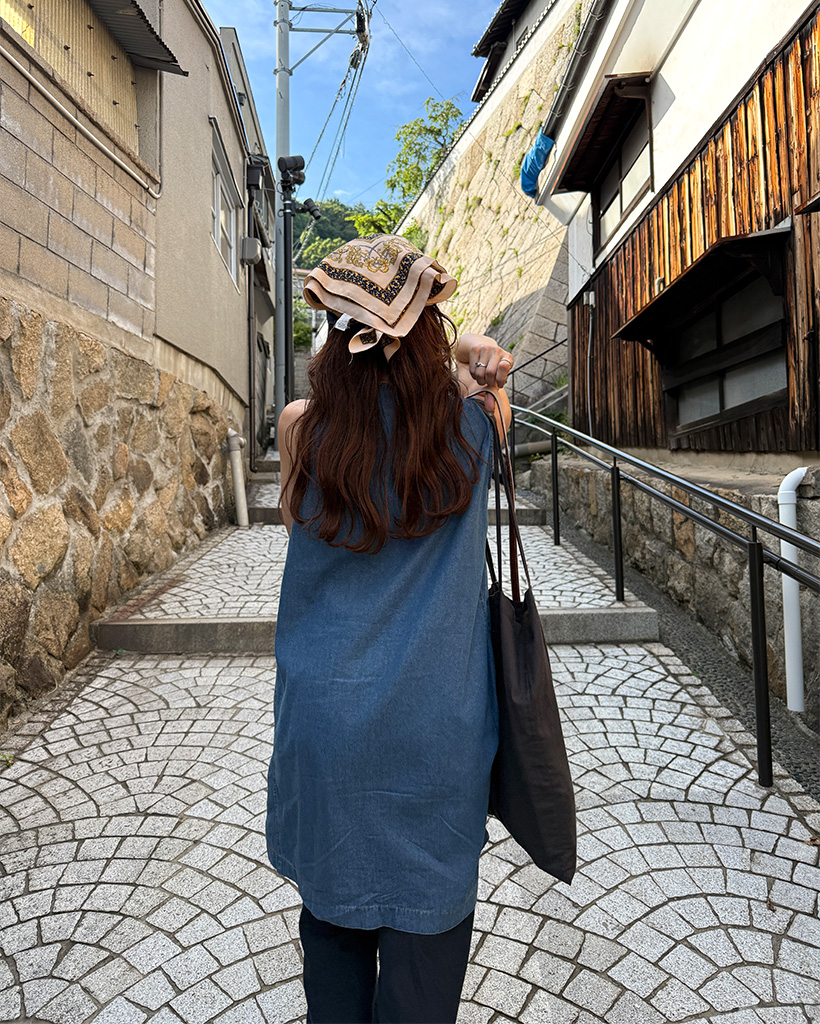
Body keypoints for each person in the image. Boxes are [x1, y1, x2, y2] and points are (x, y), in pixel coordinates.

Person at [266, 234, 513, 1024]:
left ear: (335, 339)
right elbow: (485, 373)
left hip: (326, 727)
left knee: (334, 946)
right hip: (435, 734)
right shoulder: (475, 428)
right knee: (426, 956)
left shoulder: (301, 429)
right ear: (428, 332)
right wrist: (469, 349)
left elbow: (302, 521)